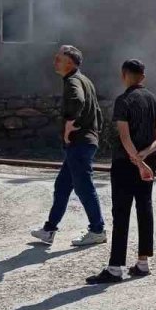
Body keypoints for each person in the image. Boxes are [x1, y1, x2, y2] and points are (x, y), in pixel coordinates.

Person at [87, 59, 156, 284]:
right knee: (145, 207)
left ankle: (115, 268)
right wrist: (145, 156)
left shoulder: (124, 100)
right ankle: (143, 263)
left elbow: (124, 136)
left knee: (121, 212)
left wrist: (136, 160)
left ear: (124, 75)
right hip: (149, 161)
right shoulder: (155, 100)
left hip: (125, 163)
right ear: (143, 76)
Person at [30, 45, 107, 247]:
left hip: (80, 143)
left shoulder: (73, 81)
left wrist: (69, 125)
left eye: (59, 58)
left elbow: (77, 101)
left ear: (70, 62)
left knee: (84, 187)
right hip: (83, 142)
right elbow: (98, 113)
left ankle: (97, 230)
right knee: (62, 186)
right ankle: (49, 230)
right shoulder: (84, 80)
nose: (55, 60)